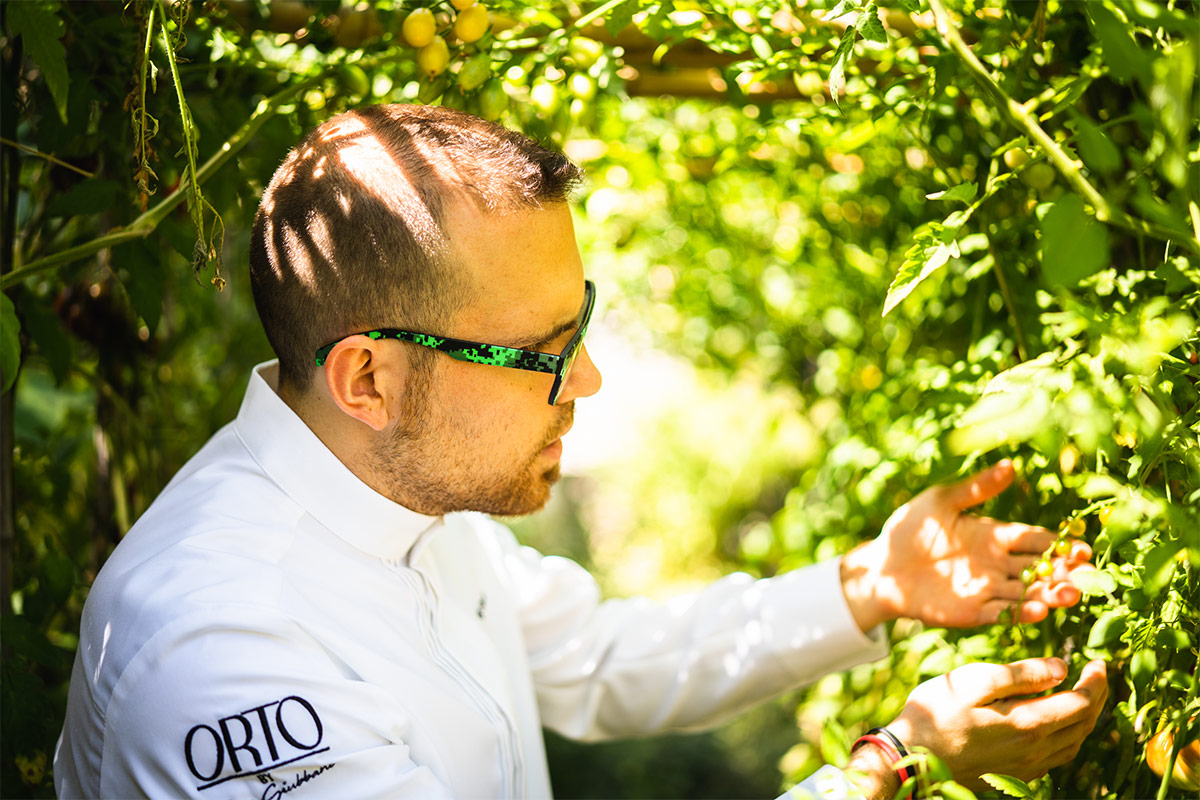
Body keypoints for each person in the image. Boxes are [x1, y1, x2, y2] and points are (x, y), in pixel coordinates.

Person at [54, 104, 1107, 800]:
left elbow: (598, 656)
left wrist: (876, 583)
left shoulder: (404, 489)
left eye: (583, 322)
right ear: (368, 380)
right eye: (543, 351)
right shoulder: (216, 647)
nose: (590, 380)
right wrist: (897, 756)